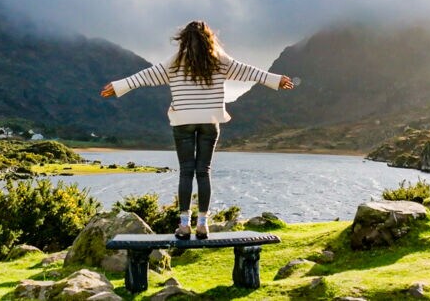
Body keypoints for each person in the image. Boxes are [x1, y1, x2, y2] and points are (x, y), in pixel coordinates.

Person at [100, 20, 294, 239]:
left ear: (184, 40)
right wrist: (275, 80)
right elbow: (247, 71)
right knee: (204, 172)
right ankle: (203, 224)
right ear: (208, 39)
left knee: (186, 171)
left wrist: (118, 87)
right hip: (210, 121)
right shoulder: (219, 61)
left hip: (183, 121)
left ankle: (184, 226)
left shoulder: (174, 63)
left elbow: (146, 76)